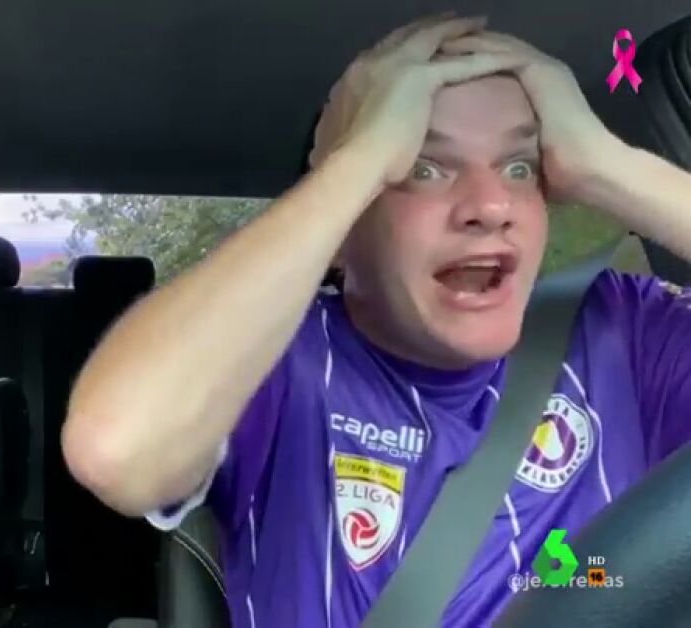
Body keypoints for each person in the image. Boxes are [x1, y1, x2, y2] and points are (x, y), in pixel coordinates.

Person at [62, 14, 691, 628]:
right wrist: (361, 157)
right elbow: (118, 449)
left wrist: (605, 163)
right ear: (341, 227)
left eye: (519, 167)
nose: (491, 204)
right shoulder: (281, 360)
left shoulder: (627, 332)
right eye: (420, 167)